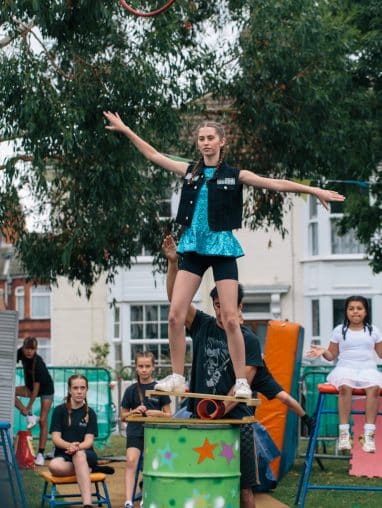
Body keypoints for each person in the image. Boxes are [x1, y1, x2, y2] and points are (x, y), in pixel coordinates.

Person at [104, 111, 345, 400]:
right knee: (174, 315)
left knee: (231, 319)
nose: (205, 143)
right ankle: (178, 377)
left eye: (210, 138)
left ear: (221, 142)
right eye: (201, 138)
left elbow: (275, 183)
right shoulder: (190, 170)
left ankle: (241, 380)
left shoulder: (235, 175)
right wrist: (127, 129)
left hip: (221, 248)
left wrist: (313, 189)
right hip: (193, 247)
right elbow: (154, 155)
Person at [163, 235, 313, 507]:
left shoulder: (249, 339)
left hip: (236, 423)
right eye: (217, 305)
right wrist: (174, 263)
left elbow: (242, 384)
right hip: (201, 416)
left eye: (225, 304)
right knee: (198, 482)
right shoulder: (202, 325)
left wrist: (217, 410)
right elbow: (176, 302)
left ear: (237, 305)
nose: (221, 310)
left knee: (244, 491)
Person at [306, 296, 382, 453]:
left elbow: (381, 354)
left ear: (365, 311)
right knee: (345, 386)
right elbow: (331, 356)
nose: (355, 311)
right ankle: (344, 434)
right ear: (347, 311)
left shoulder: (373, 330)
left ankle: (368, 435)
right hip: (345, 367)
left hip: (368, 368)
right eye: (351, 308)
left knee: (374, 388)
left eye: (359, 308)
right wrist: (323, 352)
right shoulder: (339, 330)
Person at [120, 352, 172, 508]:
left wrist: (157, 413)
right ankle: (128, 500)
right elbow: (123, 416)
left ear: (153, 367)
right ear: (136, 368)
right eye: (140, 366)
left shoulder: (159, 389)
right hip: (135, 432)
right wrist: (133, 412)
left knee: (149, 465)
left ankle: (145, 498)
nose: (144, 369)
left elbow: (169, 415)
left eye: (147, 366)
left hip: (155, 433)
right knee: (131, 462)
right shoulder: (130, 390)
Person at [49, 374, 101, 508]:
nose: (79, 391)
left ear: (86, 389)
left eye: (82, 388)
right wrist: (69, 445)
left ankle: (87, 504)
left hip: (85, 453)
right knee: (53, 466)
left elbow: (88, 441)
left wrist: (77, 447)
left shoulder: (90, 413)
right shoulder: (59, 411)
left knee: (79, 456)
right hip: (64, 454)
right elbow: (56, 438)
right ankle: (85, 469)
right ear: (69, 390)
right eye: (75, 388)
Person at [15, 336, 54, 466]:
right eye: (27, 348)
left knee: (43, 420)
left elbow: (36, 391)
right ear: (23, 347)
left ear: (36, 349)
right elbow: (9, 362)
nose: (29, 352)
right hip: (30, 386)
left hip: (46, 389)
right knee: (10, 392)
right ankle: (30, 415)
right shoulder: (20, 352)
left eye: (32, 349)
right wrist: (25, 410)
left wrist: (28, 406)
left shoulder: (39, 364)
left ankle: (41, 454)